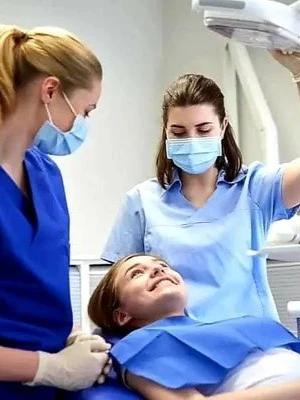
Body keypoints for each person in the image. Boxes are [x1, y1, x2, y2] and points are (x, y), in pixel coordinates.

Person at [101, 50, 300, 323]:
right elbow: (115, 298)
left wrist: (299, 74)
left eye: (204, 130)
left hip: (251, 346)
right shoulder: (141, 202)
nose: (192, 140)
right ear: (166, 131)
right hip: (176, 348)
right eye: (179, 132)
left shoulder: (254, 188)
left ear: (222, 128)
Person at [0, 24, 111, 399]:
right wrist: (48, 368)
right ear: (50, 91)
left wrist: (65, 338)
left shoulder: (46, 175)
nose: (82, 126)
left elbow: (29, 291)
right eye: (85, 111)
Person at [88, 254, 300, 400]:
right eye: (136, 273)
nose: (157, 269)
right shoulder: (136, 348)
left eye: (162, 266)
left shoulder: (239, 323)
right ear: (122, 315)